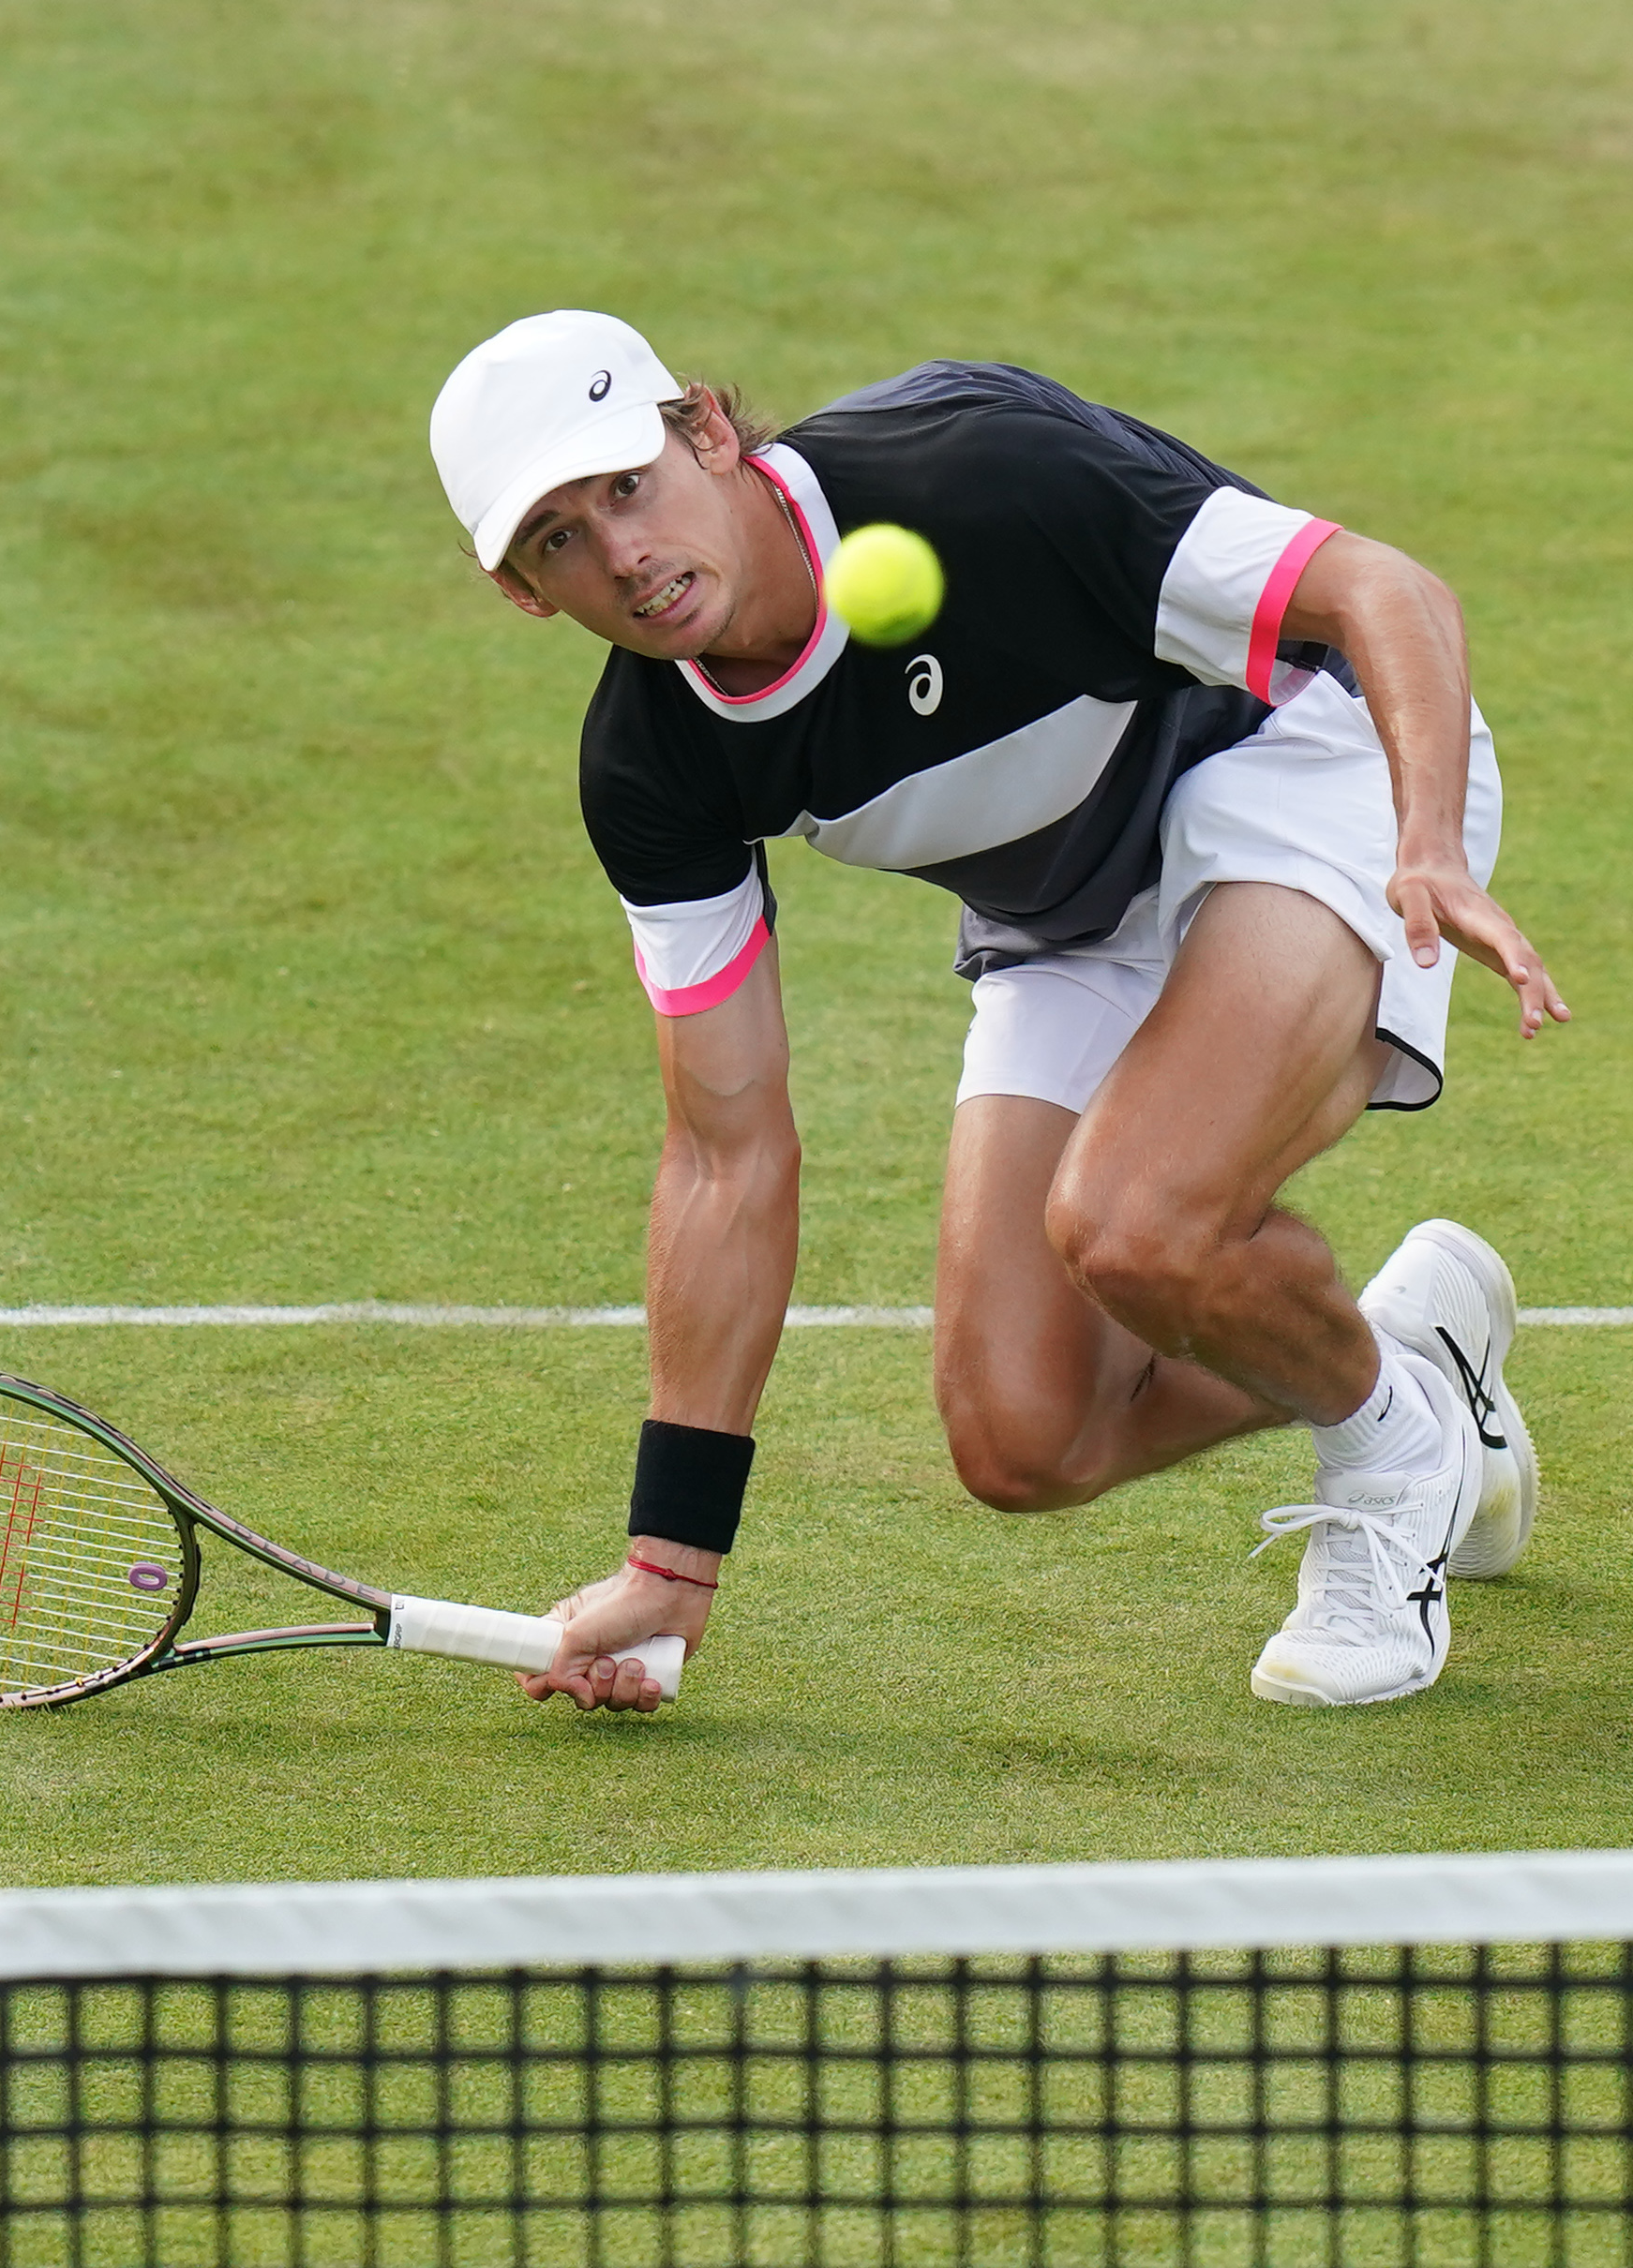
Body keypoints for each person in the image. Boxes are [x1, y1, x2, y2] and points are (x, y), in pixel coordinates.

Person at [428, 311, 1568, 1712]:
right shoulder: (650, 773)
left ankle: (1391, 1458)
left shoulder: (978, 470)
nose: (623, 555)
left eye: (626, 486)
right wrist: (673, 1558)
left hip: (1303, 773)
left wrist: (1430, 842)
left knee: (1134, 1221)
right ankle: (1416, 1359)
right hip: (1072, 911)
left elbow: (1382, 588)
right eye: (556, 538)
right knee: (1024, 1437)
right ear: (526, 595)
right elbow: (726, 1157)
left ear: (708, 431)